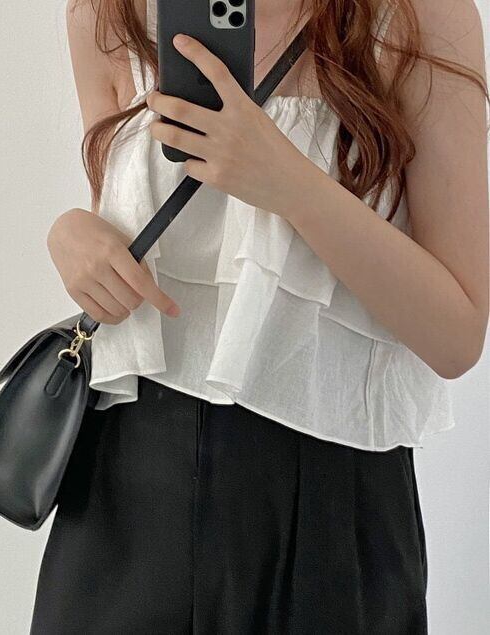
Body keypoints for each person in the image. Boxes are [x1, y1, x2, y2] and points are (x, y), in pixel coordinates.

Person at [30, 0, 489, 632]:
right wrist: (70, 234)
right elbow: (130, 227)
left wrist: (290, 184)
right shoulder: (110, 15)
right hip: (130, 490)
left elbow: (457, 336)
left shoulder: (416, 16)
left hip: (332, 501)